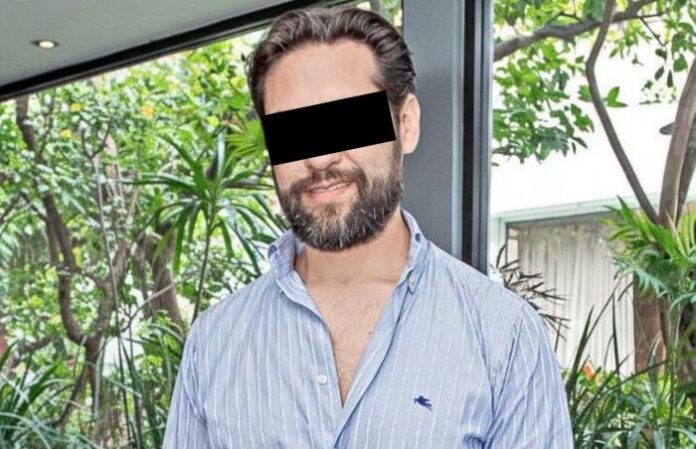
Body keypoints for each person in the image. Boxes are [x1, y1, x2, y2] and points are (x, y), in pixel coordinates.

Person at [163, 5, 574, 448]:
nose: (319, 158)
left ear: (406, 124)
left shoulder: (504, 337)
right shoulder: (214, 343)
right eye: (292, 132)